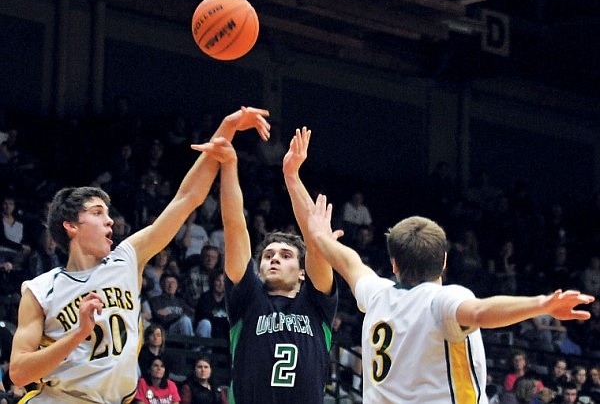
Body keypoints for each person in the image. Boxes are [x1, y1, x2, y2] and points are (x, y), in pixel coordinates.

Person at [8, 106, 271, 402]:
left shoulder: (127, 258)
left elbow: (186, 199)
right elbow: (18, 373)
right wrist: (77, 334)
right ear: (70, 226)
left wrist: (226, 128)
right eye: (97, 213)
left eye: (108, 213)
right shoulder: (40, 290)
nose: (110, 220)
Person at [303, 193, 596, 404]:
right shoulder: (441, 301)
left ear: (393, 264)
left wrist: (318, 232)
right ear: (444, 261)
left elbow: (348, 261)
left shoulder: (377, 294)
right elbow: (481, 312)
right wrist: (542, 304)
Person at [194, 126, 338, 403]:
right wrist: (230, 165)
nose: (274, 258)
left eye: (286, 256)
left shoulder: (317, 304)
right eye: (269, 255)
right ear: (258, 269)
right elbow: (235, 226)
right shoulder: (247, 298)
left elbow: (317, 240)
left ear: (302, 273)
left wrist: (292, 177)